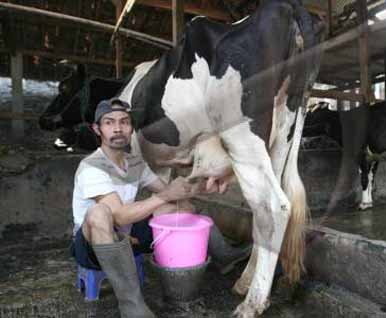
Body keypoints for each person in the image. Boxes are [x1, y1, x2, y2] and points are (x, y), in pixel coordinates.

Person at [71, 98, 251, 318]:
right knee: (99, 213)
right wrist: (165, 195)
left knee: (180, 207)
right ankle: (132, 306)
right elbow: (118, 216)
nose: (117, 128)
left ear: (131, 128)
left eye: (124, 122)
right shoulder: (92, 166)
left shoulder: (134, 162)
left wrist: (207, 186)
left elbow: (169, 190)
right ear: (97, 129)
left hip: (129, 234)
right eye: (109, 122)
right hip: (93, 243)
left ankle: (223, 256)